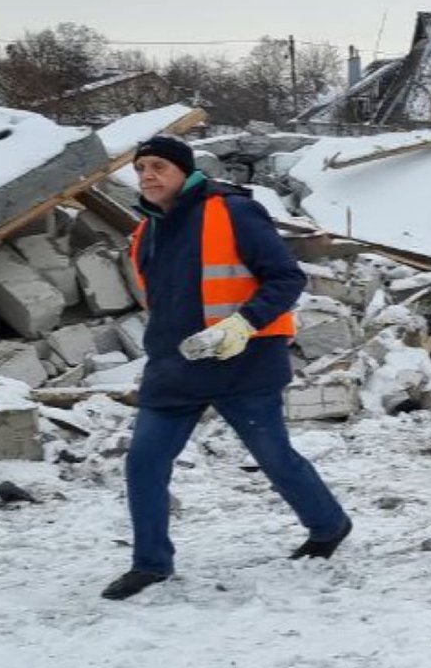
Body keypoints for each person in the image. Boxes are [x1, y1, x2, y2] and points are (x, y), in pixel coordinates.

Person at [101, 135, 352, 600]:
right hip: (176, 369)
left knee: (274, 457)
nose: (148, 176)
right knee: (144, 463)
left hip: (245, 364)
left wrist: (242, 325)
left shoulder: (233, 211)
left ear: (184, 171)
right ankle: (151, 564)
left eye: (158, 166)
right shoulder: (146, 231)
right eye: (141, 169)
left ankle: (329, 525)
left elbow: (286, 277)